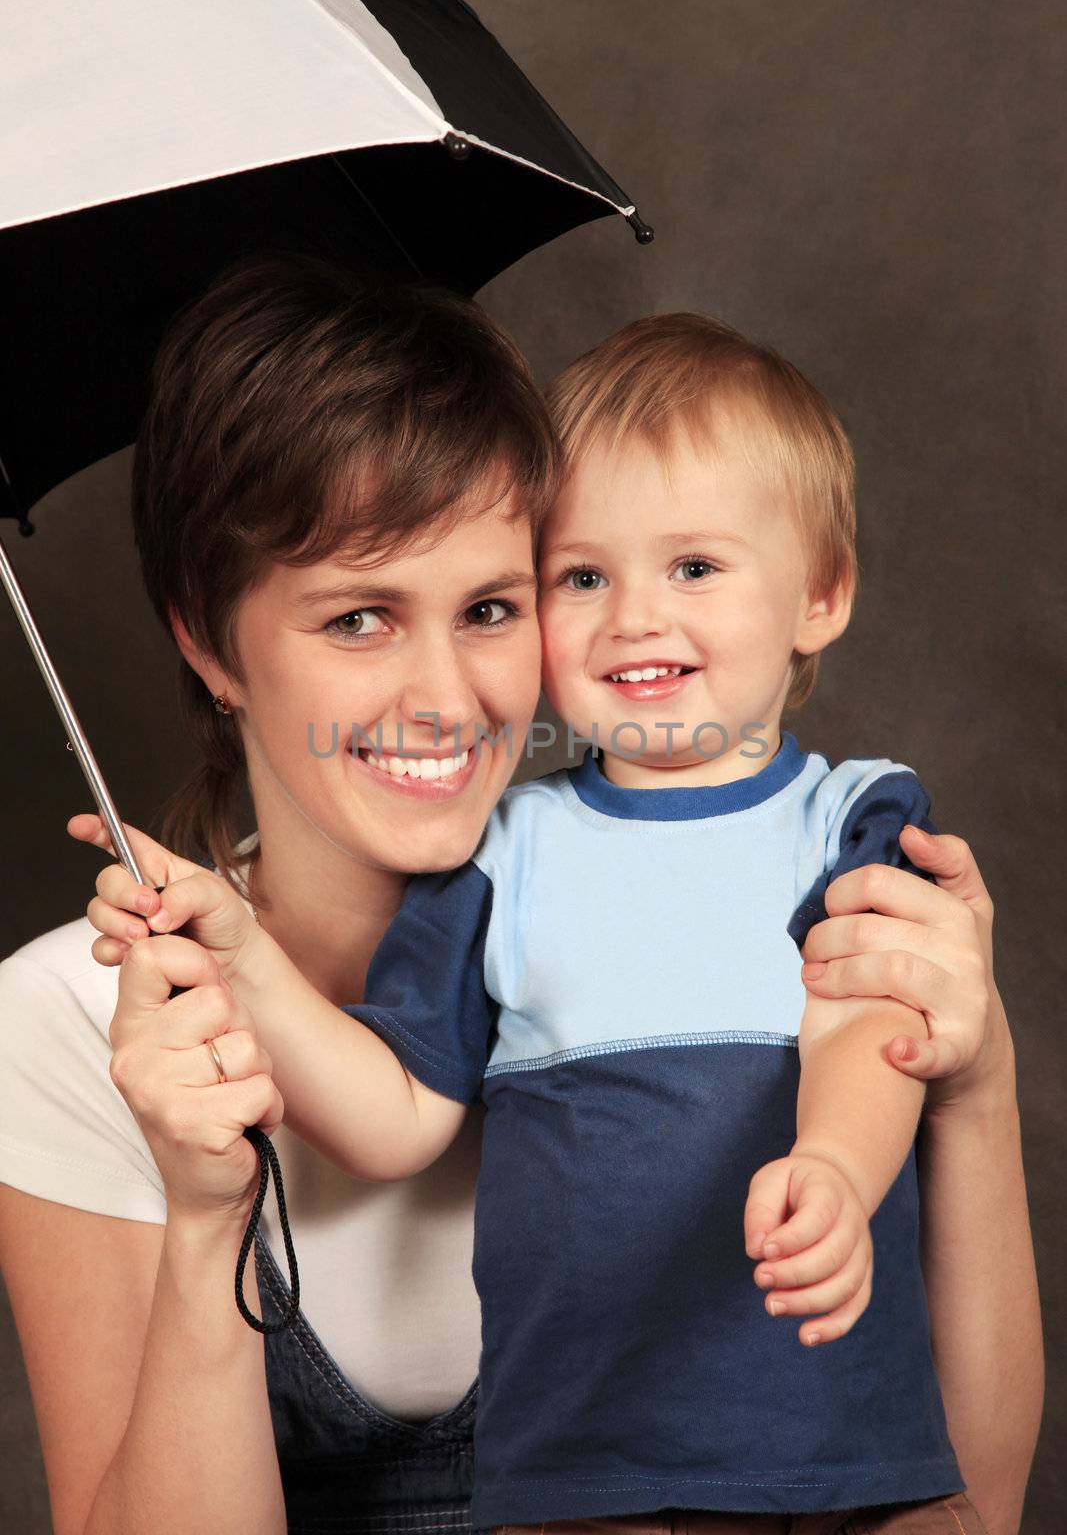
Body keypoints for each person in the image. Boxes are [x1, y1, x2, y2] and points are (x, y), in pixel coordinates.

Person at [0, 261, 1039, 1535]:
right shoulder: (68, 1017)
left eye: (490, 605)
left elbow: (968, 1505)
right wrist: (208, 1216)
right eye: (359, 618)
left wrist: (971, 1087)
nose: (447, 696)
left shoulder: (798, 873)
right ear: (210, 643)